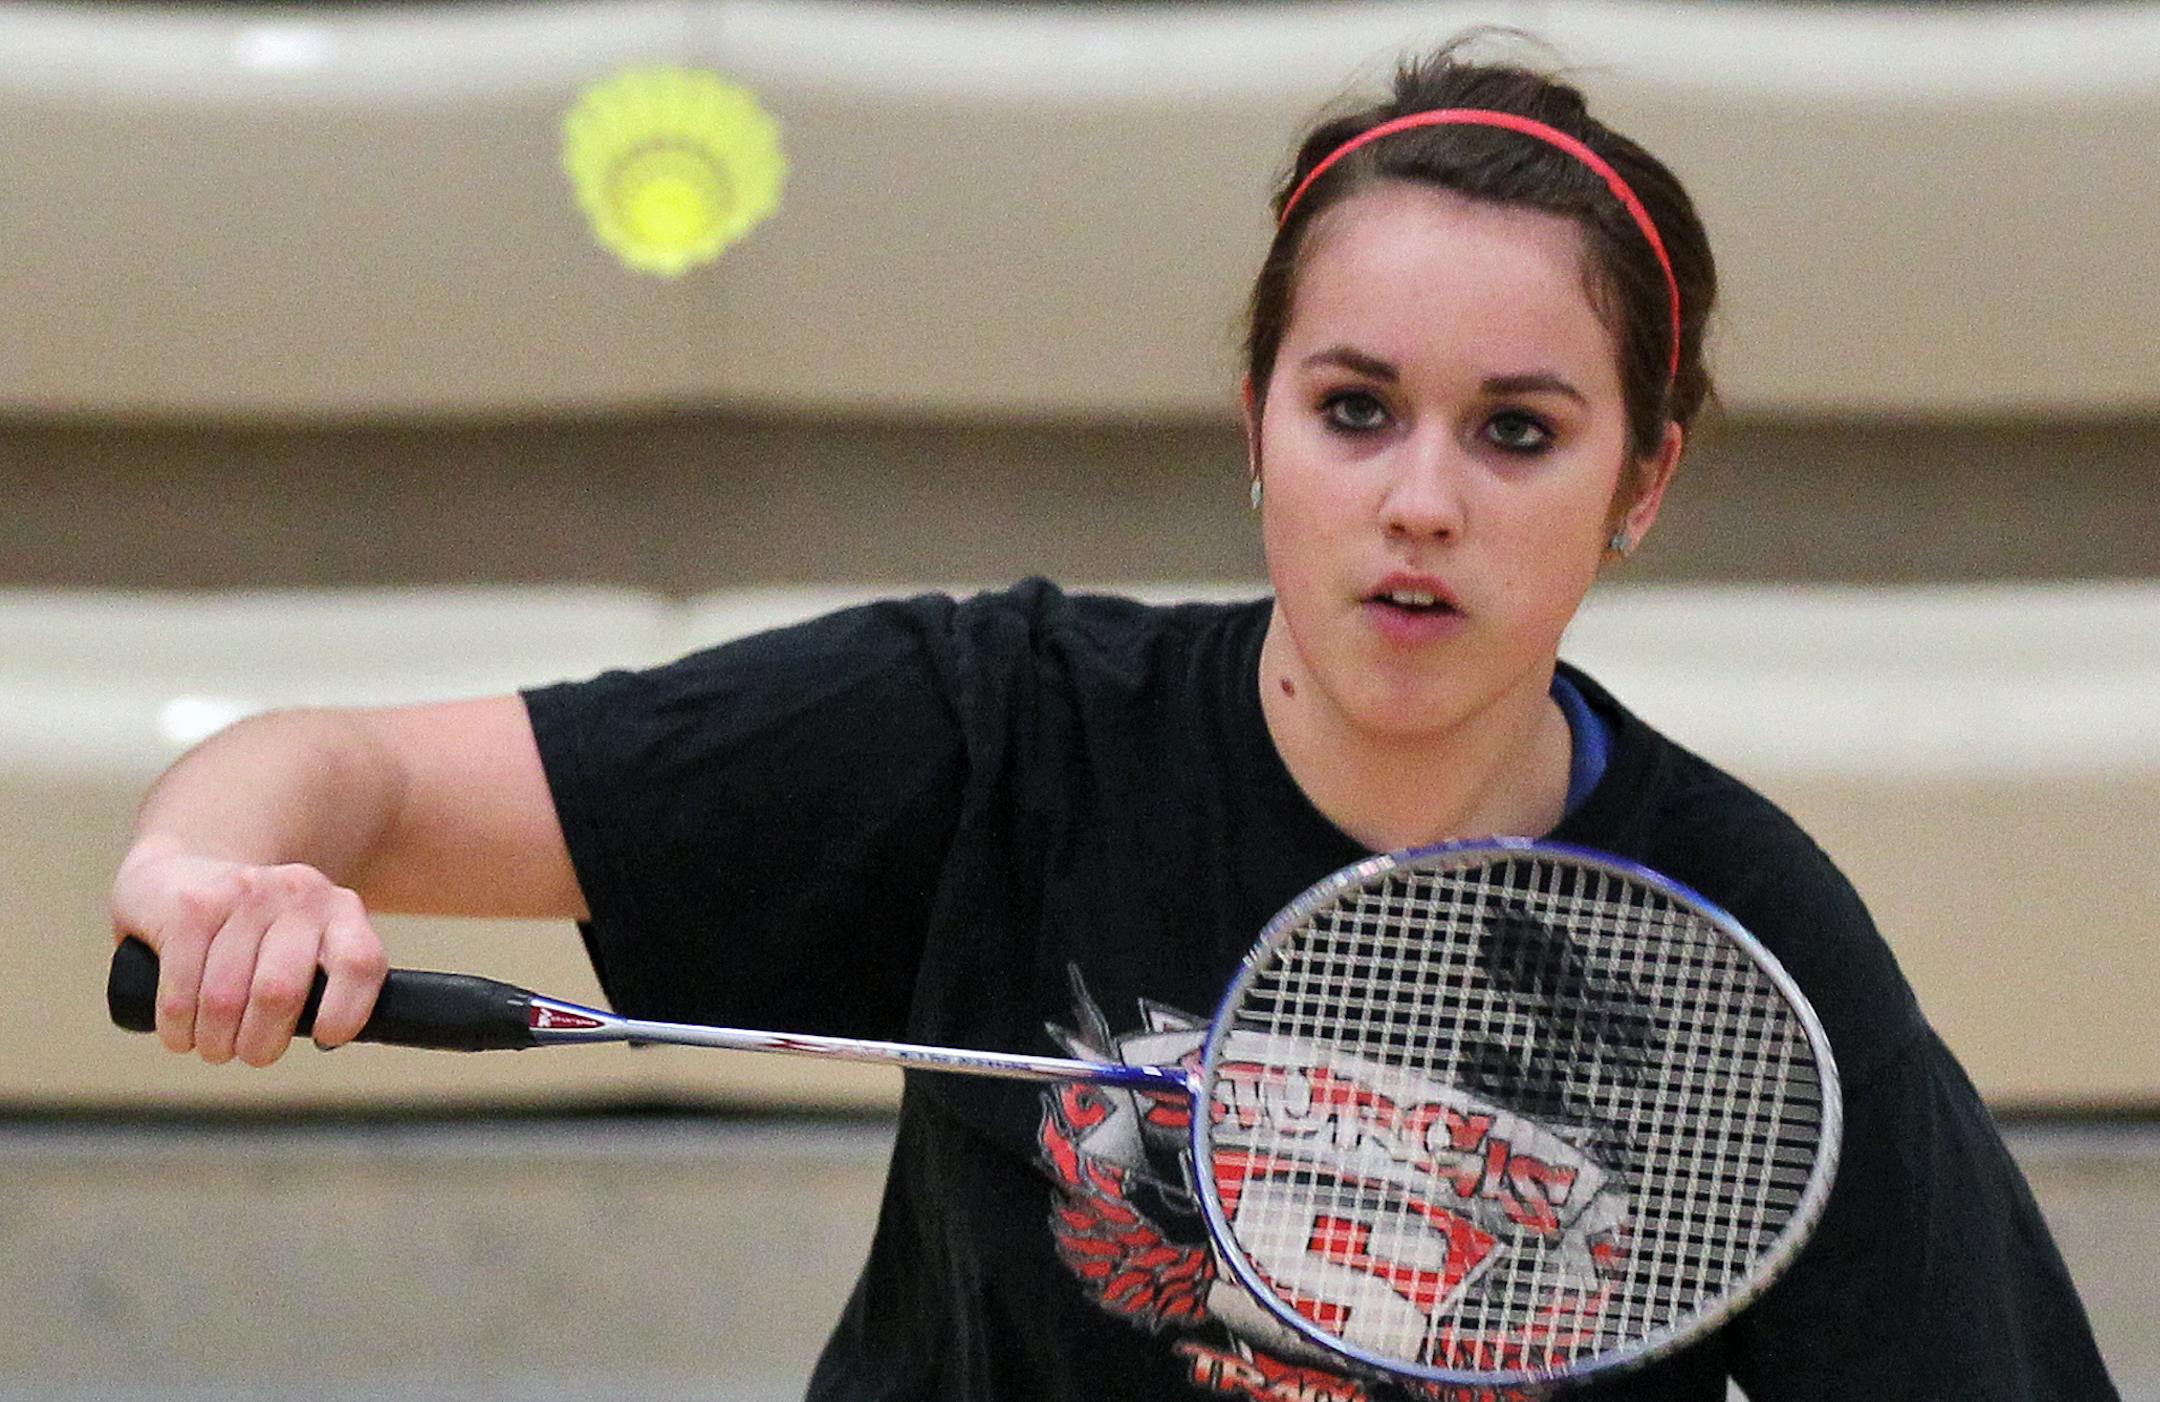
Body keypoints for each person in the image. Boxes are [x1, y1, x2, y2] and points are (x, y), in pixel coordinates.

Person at [109, 39, 2117, 1402]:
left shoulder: (1741, 943)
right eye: (1355, 407)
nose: (1422, 497)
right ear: (1258, 431)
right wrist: (215, 865)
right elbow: (343, 770)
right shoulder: (1002, 728)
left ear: (1644, 479)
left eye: (1519, 430)